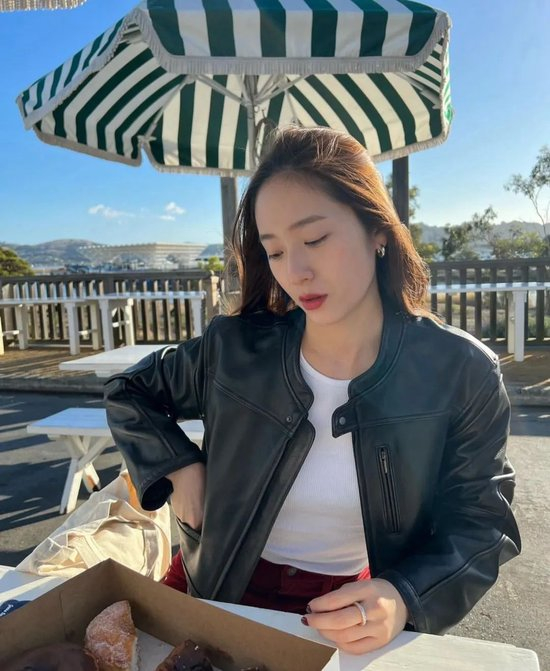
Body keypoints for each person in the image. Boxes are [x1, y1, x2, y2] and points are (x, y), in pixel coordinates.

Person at [104, 126, 521, 655]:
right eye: (275, 251)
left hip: (347, 610)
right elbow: (128, 390)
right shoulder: (234, 349)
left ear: (377, 229)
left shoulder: (460, 371)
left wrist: (405, 595)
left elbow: (482, 523)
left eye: (315, 239)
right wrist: (178, 463)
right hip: (211, 589)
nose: (295, 272)